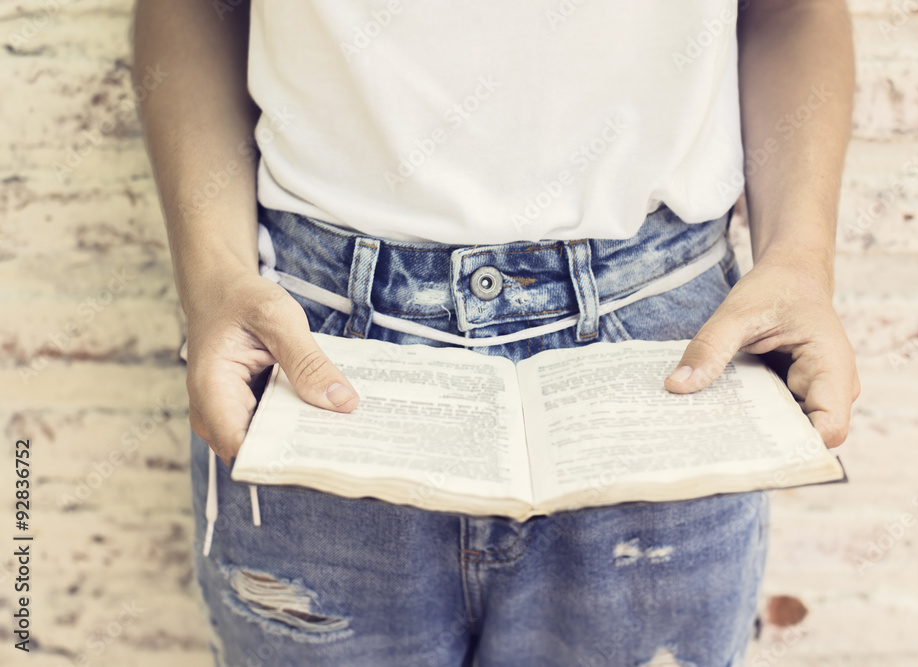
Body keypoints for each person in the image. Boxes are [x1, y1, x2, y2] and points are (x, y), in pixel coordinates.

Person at [132, 0, 861, 664]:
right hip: (308, 337)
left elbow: (792, 10)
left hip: (665, 337)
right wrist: (215, 278)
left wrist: (799, 259)